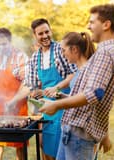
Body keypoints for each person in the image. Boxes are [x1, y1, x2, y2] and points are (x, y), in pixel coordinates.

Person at [39, 4, 114, 160]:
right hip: (73, 134)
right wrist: (59, 99)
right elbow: (89, 95)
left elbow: (93, 95)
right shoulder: (105, 52)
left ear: (106, 24)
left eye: (92, 22)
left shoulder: (106, 53)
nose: (88, 27)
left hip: (79, 136)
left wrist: (56, 105)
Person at [6, 18, 77, 160]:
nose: (45, 36)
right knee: (46, 148)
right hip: (47, 111)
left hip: (66, 106)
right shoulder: (35, 58)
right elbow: (29, 85)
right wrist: (12, 101)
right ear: (35, 36)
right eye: (40, 34)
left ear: (50, 31)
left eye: (47, 32)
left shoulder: (60, 50)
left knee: (65, 150)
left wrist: (56, 87)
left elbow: (74, 74)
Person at [0, 28, 28, 160]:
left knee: (19, 144)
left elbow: (25, 83)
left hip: (18, 105)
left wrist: (13, 101)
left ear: (10, 41)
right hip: (1, 104)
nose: (1, 47)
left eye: (4, 44)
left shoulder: (21, 56)